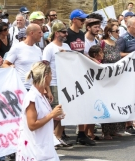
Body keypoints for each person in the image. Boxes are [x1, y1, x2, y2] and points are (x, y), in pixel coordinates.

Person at [15, 62, 63, 161]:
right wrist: (51, 115)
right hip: (33, 148)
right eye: (50, 75)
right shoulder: (32, 97)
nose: (51, 77)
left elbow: (43, 117)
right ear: (45, 76)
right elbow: (32, 124)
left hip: (45, 145)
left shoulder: (41, 95)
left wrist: (55, 116)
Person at [64, 9, 94, 146]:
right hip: (68, 73)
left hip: (80, 72)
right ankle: (62, 132)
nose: (83, 22)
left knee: (82, 102)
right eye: (81, 20)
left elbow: (82, 53)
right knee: (66, 102)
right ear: (74, 20)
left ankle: (81, 134)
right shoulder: (67, 34)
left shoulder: (81, 34)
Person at [42, 22, 72, 148]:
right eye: (63, 32)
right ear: (56, 33)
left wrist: (67, 54)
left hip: (65, 82)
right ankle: (48, 137)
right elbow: (44, 67)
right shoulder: (50, 48)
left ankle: (58, 137)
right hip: (54, 82)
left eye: (66, 32)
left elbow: (72, 62)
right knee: (56, 112)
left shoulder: (66, 46)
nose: (66, 34)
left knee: (64, 112)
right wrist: (47, 88)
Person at [101, 21, 126, 139]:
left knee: (116, 103)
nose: (118, 33)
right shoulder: (103, 44)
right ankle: (106, 131)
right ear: (109, 32)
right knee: (107, 103)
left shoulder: (116, 44)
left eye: (119, 31)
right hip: (106, 79)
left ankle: (114, 129)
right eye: (116, 31)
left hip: (117, 78)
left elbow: (119, 58)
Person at [2, 25, 43, 90]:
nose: (42, 35)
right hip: (21, 88)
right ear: (32, 33)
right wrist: (12, 69)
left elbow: (42, 70)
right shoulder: (17, 48)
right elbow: (5, 64)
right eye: (39, 32)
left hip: (35, 88)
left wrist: (46, 89)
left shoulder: (38, 50)